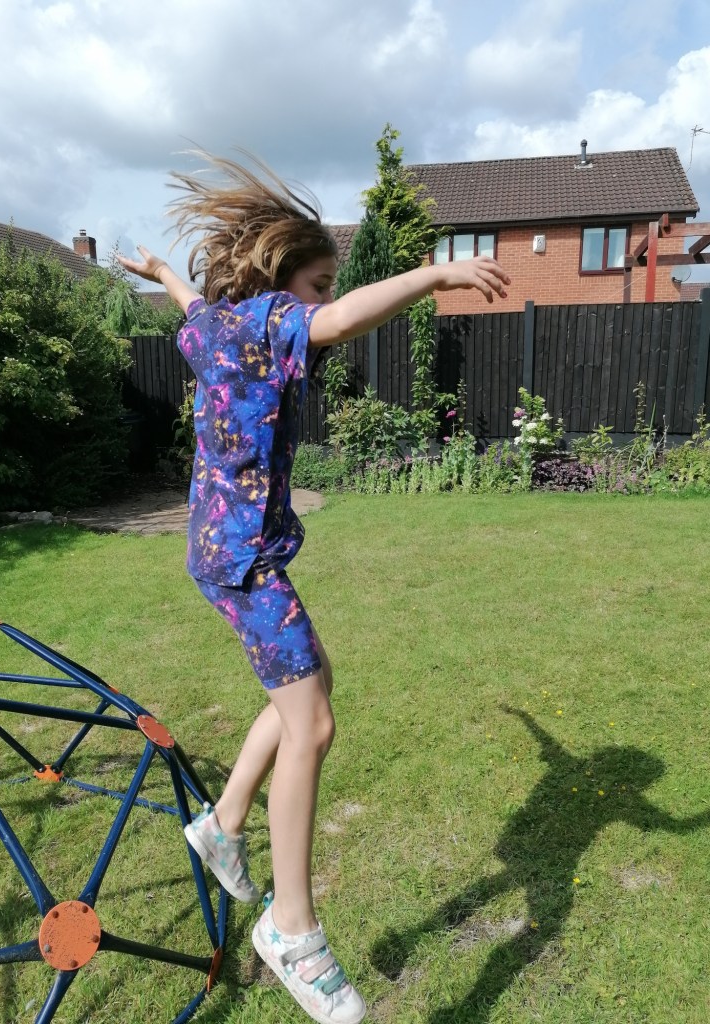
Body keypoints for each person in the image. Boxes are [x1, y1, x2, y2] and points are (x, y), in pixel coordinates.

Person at [119, 150, 510, 1024]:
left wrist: (158, 272)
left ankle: (222, 824)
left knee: (313, 684)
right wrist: (434, 274)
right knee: (314, 723)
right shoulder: (266, 320)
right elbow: (335, 323)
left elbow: (186, 306)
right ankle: (291, 929)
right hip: (244, 561)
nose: (324, 300)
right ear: (277, 281)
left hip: (223, 551)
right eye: (318, 282)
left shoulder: (215, 325)